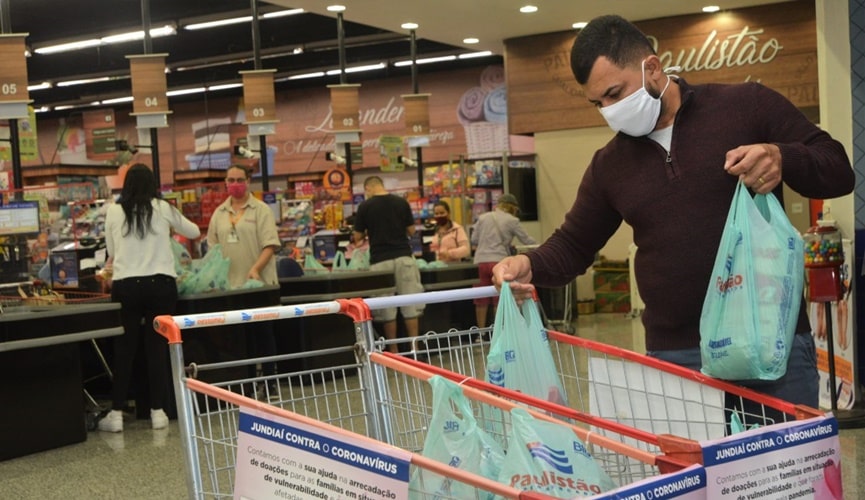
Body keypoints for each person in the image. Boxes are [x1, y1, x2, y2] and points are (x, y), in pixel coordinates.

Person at [492, 15, 854, 412]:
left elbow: (837, 169)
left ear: (652, 67)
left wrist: (784, 157)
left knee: (787, 473)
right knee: (694, 476)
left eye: (615, 93)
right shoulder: (610, 164)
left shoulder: (746, 106)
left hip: (771, 340)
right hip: (679, 358)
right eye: (598, 103)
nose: (609, 111)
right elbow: (574, 245)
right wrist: (527, 263)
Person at [99, 163, 201, 432]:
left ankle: (117, 414)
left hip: (126, 285)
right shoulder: (163, 208)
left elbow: (111, 250)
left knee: (124, 350)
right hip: (161, 285)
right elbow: (194, 232)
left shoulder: (113, 211)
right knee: (156, 348)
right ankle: (158, 412)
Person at [207, 165, 281, 396]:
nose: (235, 184)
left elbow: (270, 244)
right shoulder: (219, 213)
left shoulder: (261, 210)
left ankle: (269, 382)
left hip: (259, 286)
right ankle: (246, 383)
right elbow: (213, 249)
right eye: (231, 180)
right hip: (232, 288)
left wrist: (256, 269)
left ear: (248, 181)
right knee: (240, 339)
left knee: (263, 334)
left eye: (240, 179)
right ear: (225, 182)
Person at [352, 176, 425, 353]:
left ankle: (393, 352)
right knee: (411, 304)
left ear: (368, 188)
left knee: (386, 309)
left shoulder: (365, 207)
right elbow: (412, 230)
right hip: (404, 257)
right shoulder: (401, 202)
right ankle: (415, 350)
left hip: (380, 261)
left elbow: (357, 237)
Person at [472, 193, 536, 332]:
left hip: (481, 261)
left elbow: (474, 240)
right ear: (513, 208)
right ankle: (499, 332)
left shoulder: (483, 218)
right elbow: (526, 240)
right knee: (499, 298)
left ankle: (480, 334)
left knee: (480, 300)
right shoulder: (512, 220)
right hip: (499, 262)